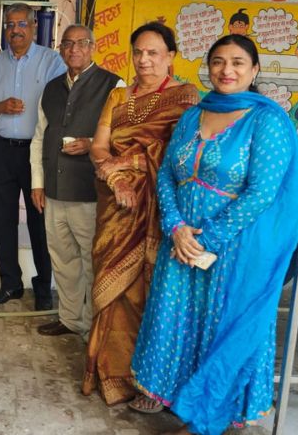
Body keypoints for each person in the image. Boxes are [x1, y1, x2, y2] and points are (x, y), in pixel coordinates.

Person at [130, 35, 298, 435]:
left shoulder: (267, 120)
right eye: (219, 62)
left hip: (233, 246)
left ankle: (214, 410)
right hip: (182, 239)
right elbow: (168, 175)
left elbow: (262, 192)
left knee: (219, 324)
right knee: (178, 319)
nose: (227, 70)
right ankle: (177, 397)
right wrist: (175, 227)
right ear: (207, 68)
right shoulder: (195, 115)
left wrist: (206, 239)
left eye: (239, 63)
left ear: (255, 70)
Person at [81, 22, 199, 405]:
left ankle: (150, 382)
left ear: (170, 57)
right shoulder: (117, 96)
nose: (144, 60)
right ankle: (109, 374)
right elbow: (99, 148)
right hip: (117, 204)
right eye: (138, 53)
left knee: (147, 293)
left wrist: (136, 166)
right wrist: (117, 178)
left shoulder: (185, 97)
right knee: (112, 293)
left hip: (157, 209)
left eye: (153, 53)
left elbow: (182, 156)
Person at [30, 25, 123, 337]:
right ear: (60, 49)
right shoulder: (52, 87)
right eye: (67, 44)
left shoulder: (113, 85)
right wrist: (37, 183)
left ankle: (96, 326)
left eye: (81, 44)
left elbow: (123, 137)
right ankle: (71, 319)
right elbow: (39, 136)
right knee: (63, 260)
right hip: (54, 191)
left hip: (90, 192)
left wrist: (91, 142)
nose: (74, 50)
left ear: (93, 47)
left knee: (91, 260)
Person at [0, 3, 66, 310]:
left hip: (37, 153)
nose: (15, 30)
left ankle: (43, 289)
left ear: (34, 27)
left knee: (40, 221)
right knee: (3, 219)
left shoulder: (52, 61)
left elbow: (65, 104)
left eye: (21, 24)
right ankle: (10, 284)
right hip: (2, 150)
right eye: (10, 25)